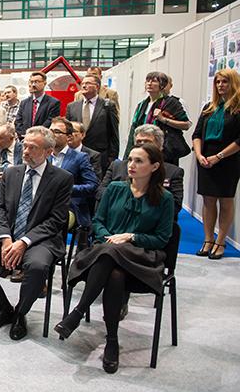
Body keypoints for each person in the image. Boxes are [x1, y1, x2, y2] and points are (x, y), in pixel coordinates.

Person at [56, 144, 173, 374]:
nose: (131, 165)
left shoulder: (164, 198)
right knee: (115, 273)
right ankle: (111, 340)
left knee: (111, 256)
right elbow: (98, 222)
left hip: (141, 258)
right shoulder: (115, 188)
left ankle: (78, 312)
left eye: (139, 161)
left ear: (154, 166)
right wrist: (109, 239)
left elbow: (162, 238)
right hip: (106, 252)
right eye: (130, 159)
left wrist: (131, 237)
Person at [0, 126, 73, 340]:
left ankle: (20, 314)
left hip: (40, 239)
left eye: (33, 148)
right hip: (7, 234)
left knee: (38, 266)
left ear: (48, 152)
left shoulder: (62, 178)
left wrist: (23, 242)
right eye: (25, 146)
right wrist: (6, 239)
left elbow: (56, 220)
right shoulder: (11, 173)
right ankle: (3, 308)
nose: (26, 151)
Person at [192, 68, 240, 260]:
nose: (220, 85)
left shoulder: (237, 109)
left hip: (228, 160)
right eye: (218, 82)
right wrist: (199, 155)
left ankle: (220, 241)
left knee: (225, 200)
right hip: (205, 158)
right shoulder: (209, 108)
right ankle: (208, 239)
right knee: (208, 200)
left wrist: (219, 156)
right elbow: (196, 134)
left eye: (225, 82)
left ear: (233, 83)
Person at [98, 124, 184, 215]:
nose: (142, 145)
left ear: (160, 146)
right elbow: (100, 192)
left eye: (147, 142)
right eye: (139, 142)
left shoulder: (173, 172)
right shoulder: (117, 166)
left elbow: (175, 205)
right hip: (117, 215)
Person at [125, 71, 191, 165]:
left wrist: (163, 119)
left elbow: (186, 125)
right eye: (147, 81)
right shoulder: (142, 105)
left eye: (154, 81)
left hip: (164, 152)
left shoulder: (171, 103)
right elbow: (134, 129)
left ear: (162, 85)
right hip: (142, 151)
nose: (149, 83)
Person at [48, 117, 98, 235]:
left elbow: (93, 186)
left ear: (69, 137)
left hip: (69, 206)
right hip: (44, 204)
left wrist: (66, 189)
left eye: (57, 132)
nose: (52, 135)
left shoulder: (80, 157)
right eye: (50, 131)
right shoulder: (44, 156)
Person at [66, 73, 120, 173]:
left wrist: (112, 160)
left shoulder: (108, 106)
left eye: (88, 83)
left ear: (97, 87)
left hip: (100, 156)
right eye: (82, 83)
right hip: (76, 155)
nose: (84, 86)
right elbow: (67, 132)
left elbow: (114, 134)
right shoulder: (72, 107)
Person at [14, 72, 61, 138]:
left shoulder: (53, 103)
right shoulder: (24, 103)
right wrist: (26, 135)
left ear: (44, 83)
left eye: (36, 82)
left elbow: (50, 122)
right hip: (25, 138)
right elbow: (18, 121)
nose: (33, 85)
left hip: (43, 138)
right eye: (31, 82)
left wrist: (35, 136)